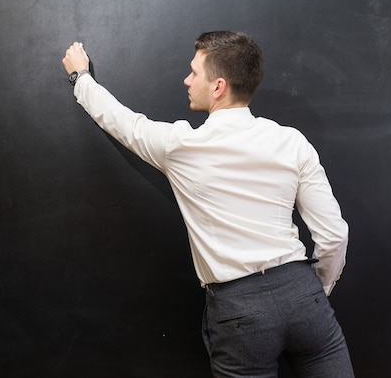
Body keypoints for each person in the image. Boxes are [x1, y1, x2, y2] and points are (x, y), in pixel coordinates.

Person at [62, 31, 354, 378]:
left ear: (218, 86)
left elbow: (123, 122)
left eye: (194, 73)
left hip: (239, 310)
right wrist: (313, 291)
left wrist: (81, 78)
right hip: (304, 296)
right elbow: (334, 234)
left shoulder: (182, 146)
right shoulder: (291, 142)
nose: (187, 80)